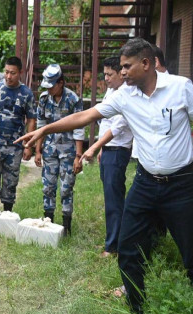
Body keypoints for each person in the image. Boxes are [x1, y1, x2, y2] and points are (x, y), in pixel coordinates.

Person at [16, 37, 193, 314]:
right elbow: (86, 116)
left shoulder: (180, 88)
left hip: (181, 185)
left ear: (146, 64)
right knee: (128, 247)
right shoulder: (123, 96)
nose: (122, 72)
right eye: (121, 67)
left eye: (127, 66)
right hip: (146, 181)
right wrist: (45, 130)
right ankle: (137, 306)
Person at [81, 56, 132, 258]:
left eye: (110, 74)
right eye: (105, 74)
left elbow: (118, 128)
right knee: (111, 198)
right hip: (108, 149)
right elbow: (106, 124)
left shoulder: (127, 94)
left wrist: (94, 147)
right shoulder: (112, 91)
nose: (107, 78)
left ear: (121, 73)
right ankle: (113, 241)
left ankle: (113, 247)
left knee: (114, 201)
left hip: (118, 150)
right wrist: (102, 148)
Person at [0, 56, 36, 213]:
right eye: (6, 72)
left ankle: (7, 214)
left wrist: (28, 145)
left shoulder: (26, 93)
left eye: (12, 73)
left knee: (10, 184)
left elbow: (31, 119)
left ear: (20, 73)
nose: (9, 76)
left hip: (15, 146)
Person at [35, 64, 84, 235]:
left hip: (68, 151)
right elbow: (41, 126)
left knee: (66, 188)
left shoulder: (73, 99)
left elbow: (79, 129)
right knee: (48, 187)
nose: (48, 89)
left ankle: (66, 226)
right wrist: (38, 150)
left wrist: (79, 156)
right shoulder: (43, 99)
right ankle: (49, 223)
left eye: (51, 86)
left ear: (61, 83)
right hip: (49, 150)